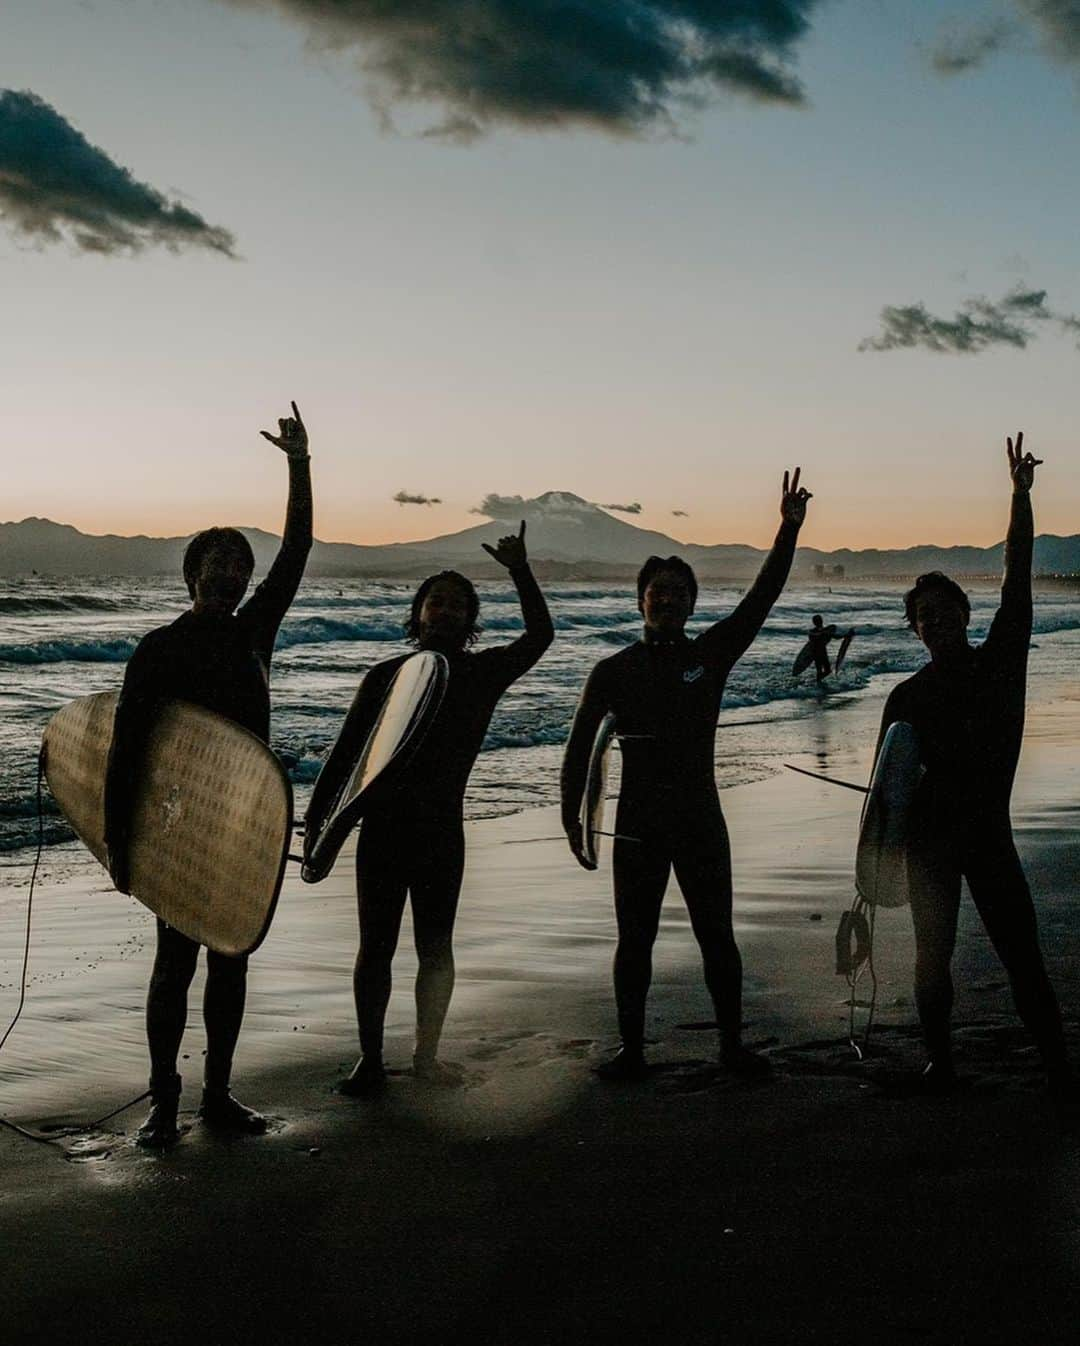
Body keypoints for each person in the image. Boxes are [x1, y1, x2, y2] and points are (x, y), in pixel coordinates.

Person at [104, 402, 312, 1147]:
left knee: (232, 959)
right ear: (192, 574)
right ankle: (166, 1100)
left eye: (239, 570)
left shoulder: (257, 632)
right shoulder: (158, 649)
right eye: (217, 566)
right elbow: (128, 749)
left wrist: (298, 465)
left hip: (245, 821)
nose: (230, 577)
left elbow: (296, 552)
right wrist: (121, 847)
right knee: (173, 964)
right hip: (181, 825)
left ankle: (218, 1094)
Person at [561, 469, 813, 1079]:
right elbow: (577, 753)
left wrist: (787, 530)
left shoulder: (710, 655)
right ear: (640, 600)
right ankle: (632, 1050)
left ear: (692, 604)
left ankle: (731, 1045)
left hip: (700, 818)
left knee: (716, 936)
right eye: (658, 591)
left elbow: (761, 599)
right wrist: (575, 821)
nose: (667, 600)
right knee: (635, 940)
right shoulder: (612, 671)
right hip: (638, 824)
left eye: (678, 592)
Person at [306, 521, 553, 1094]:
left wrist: (520, 570)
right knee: (376, 949)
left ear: (470, 621)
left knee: (435, 948)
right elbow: (344, 761)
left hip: (441, 832)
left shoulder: (482, 673)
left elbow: (539, 637)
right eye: (435, 602)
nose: (445, 611)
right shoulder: (386, 677)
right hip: (383, 833)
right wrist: (319, 836)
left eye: (458, 605)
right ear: (417, 613)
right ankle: (370, 1059)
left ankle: (425, 1056)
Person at [874, 433, 1073, 1098]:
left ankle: (1058, 1068)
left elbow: (1018, 574)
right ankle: (941, 1064)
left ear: (966, 614)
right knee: (933, 958)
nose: (936, 624)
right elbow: (885, 793)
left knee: (1023, 957)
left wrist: (1020, 498)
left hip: (989, 836)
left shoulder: (1000, 663)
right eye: (923, 618)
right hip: (930, 843)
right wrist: (878, 860)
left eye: (945, 612)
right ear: (916, 630)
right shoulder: (905, 698)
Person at [806, 614, 833, 683]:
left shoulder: (826, 631)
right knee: (819, 670)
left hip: (823, 652)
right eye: (817, 621)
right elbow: (812, 636)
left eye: (819, 621)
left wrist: (846, 635)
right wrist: (821, 633)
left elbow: (835, 636)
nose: (819, 622)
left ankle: (817, 681)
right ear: (814, 623)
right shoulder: (812, 631)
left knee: (828, 671)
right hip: (816, 653)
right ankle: (818, 682)